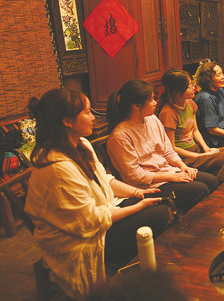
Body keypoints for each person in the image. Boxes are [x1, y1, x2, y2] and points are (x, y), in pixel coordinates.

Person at [25, 89, 170, 300]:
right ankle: (130, 277)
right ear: (67, 121)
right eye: (87, 112)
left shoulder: (81, 144)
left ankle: (143, 273)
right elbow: (90, 220)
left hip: (104, 213)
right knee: (159, 214)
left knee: (162, 203)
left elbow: (105, 180)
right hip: (81, 239)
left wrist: (139, 193)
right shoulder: (57, 167)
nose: (93, 117)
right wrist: (138, 206)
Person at [107, 79, 219, 215]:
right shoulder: (120, 136)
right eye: (151, 100)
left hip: (169, 171)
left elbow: (168, 150)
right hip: (149, 186)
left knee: (212, 181)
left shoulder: (152, 119)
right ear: (136, 106)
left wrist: (182, 166)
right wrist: (171, 177)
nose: (155, 103)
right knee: (200, 189)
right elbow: (134, 176)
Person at [157, 69, 224, 183]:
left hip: (196, 149)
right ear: (176, 91)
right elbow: (172, 148)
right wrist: (197, 156)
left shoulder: (190, 103)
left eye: (192, 84)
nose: (193, 88)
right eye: (189, 86)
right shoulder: (168, 113)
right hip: (183, 158)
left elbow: (195, 130)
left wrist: (206, 149)